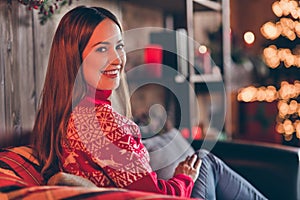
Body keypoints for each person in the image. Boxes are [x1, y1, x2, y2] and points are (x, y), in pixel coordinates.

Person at [32, 6, 267, 200]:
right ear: (76, 57)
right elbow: (154, 196)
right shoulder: (102, 123)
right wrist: (184, 177)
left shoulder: (64, 114)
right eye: (102, 49)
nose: (117, 59)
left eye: (119, 46)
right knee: (204, 160)